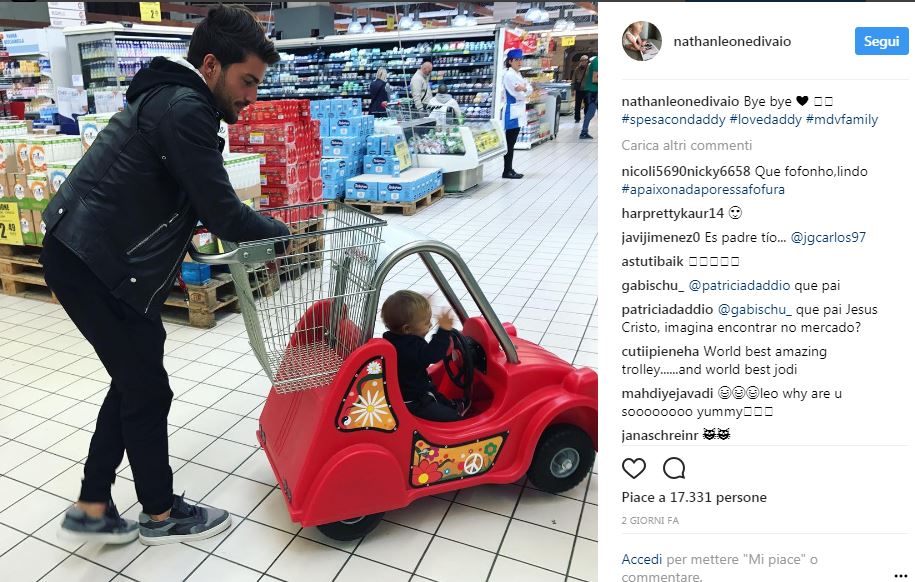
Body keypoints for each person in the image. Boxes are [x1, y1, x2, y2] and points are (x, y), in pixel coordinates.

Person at [45, 4, 289, 547]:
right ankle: (158, 513)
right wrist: (282, 234)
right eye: (247, 81)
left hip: (94, 256)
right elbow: (223, 213)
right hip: (95, 262)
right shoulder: (184, 109)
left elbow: (182, 196)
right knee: (148, 389)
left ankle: (93, 505)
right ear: (211, 65)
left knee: (134, 381)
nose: (251, 97)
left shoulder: (172, 99)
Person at [382, 291, 464, 422]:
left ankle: (452, 406)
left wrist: (417, 314)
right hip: (413, 402)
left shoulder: (392, 338)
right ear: (407, 329)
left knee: (435, 393)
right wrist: (444, 330)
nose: (431, 325)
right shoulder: (410, 347)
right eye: (426, 322)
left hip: (408, 391)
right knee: (453, 418)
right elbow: (433, 355)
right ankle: (455, 414)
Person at [502, 48, 532, 179]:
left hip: (518, 111)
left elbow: (529, 89)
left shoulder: (518, 74)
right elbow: (518, 94)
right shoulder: (509, 75)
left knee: (512, 142)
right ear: (510, 61)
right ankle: (506, 170)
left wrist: (524, 88)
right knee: (509, 143)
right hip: (511, 112)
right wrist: (525, 90)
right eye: (516, 60)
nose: (520, 62)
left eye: (521, 59)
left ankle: (509, 169)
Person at [580, 55, 598, 139]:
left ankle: (584, 132)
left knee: (591, 112)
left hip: (594, 91)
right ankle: (583, 132)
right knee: (591, 112)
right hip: (593, 91)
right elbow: (595, 79)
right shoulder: (597, 62)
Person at [570, 54, 590, 123]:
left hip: (587, 89)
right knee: (577, 105)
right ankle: (577, 118)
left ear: (587, 61)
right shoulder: (577, 69)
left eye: (584, 60)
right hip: (579, 89)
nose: (583, 62)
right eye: (581, 60)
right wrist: (572, 90)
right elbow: (573, 79)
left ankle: (586, 117)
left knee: (587, 104)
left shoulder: (590, 69)